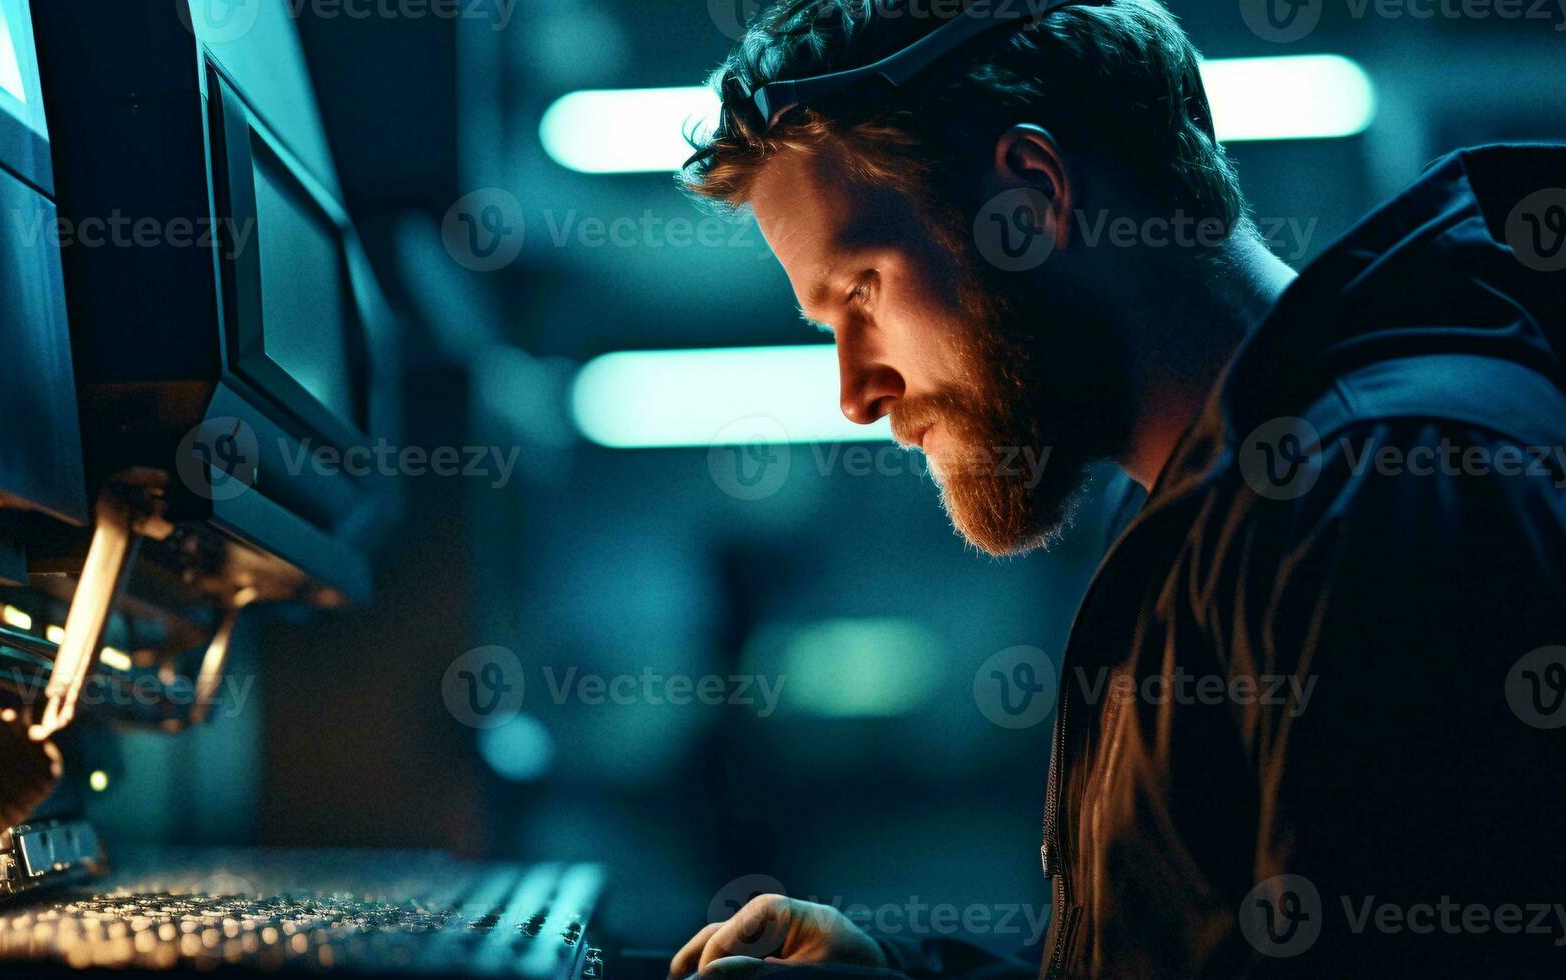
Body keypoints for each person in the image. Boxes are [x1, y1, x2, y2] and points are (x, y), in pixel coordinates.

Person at [664, 0, 1566, 976]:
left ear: (1031, 199)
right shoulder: (1202, 508)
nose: (854, 392)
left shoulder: (1383, 497)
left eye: (863, 291)